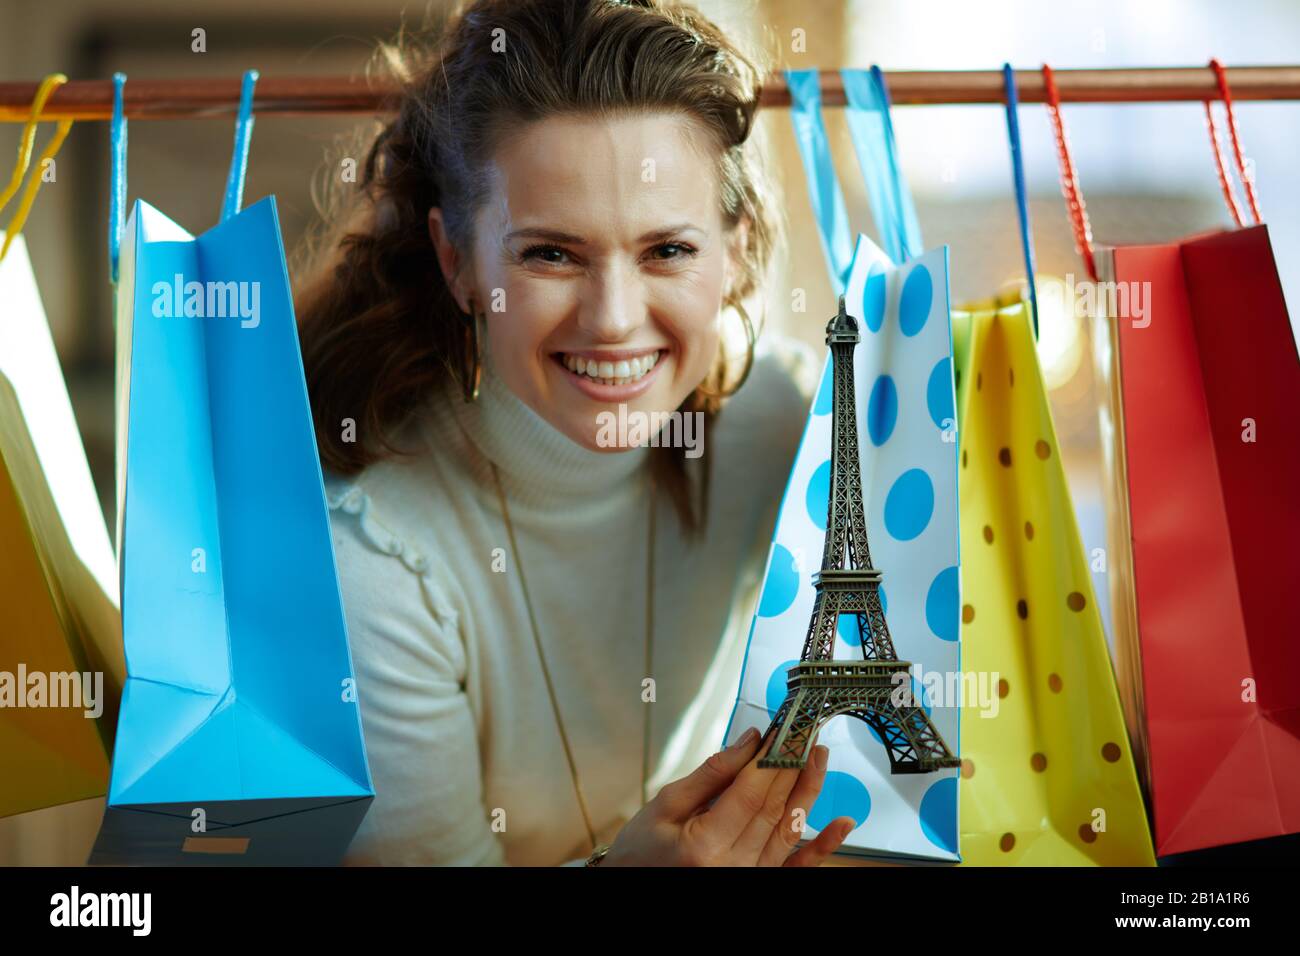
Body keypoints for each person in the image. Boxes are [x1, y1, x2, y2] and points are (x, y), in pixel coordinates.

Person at [293, 0, 856, 866]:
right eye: (550, 254)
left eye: (668, 250)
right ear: (458, 262)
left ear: (735, 254)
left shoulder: (794, 430)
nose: (615, 321)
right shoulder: (367, 560)